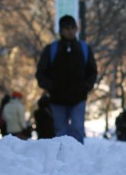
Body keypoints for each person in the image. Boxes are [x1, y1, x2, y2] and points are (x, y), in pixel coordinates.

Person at [35, 15, 98, 143]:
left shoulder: (84, 49)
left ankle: (77, 158)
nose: (70, 31)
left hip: (78, 97)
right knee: (60, 131)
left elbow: (93, 71)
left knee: (77, 129)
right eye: (67, 28)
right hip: (57, 99)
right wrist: (51, 87)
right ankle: (61, 158)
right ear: (61, 30)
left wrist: (86, 87)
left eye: (73, 28)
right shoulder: (51, 50)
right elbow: (40, 73)